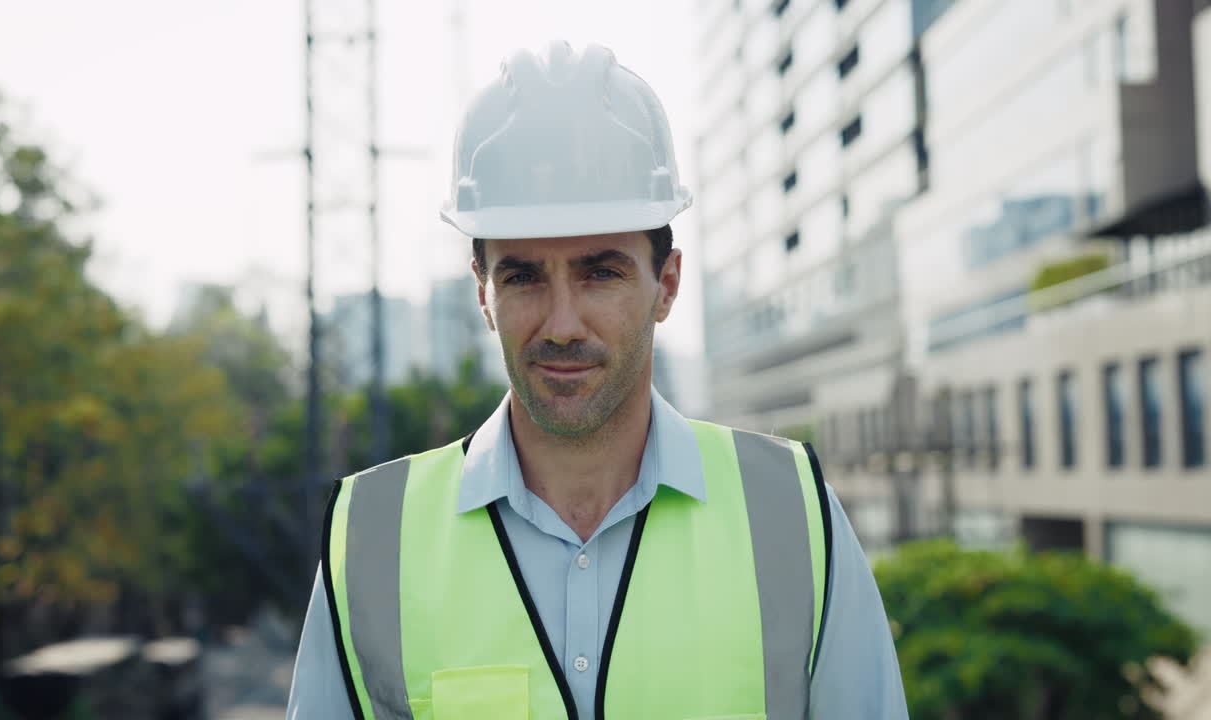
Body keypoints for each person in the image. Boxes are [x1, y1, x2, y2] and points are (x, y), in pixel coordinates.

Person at [287, 41, 907, 720]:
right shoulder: (371, 538)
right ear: (483, 293)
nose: (562, 324)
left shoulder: (792, 513)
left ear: (666, 285)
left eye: (600, 273)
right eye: (523, 277)